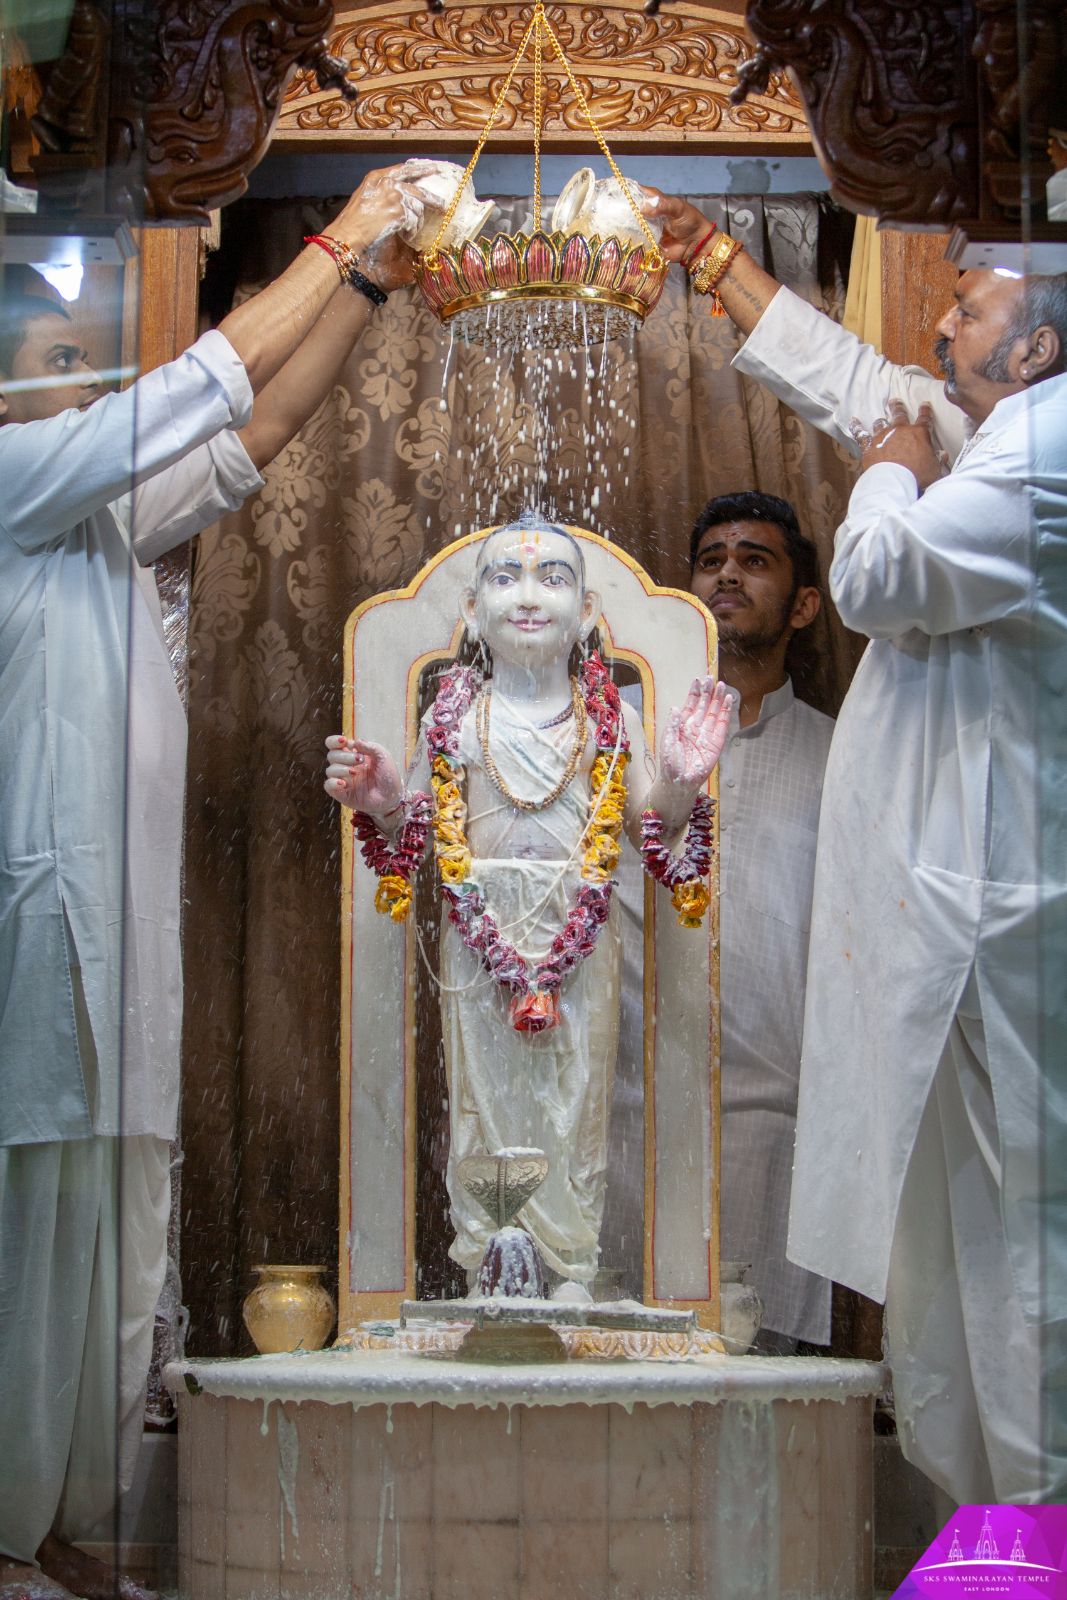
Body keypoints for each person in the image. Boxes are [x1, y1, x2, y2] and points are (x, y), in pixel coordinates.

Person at [0, 164, 430, 1600]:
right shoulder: (13, 486)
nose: (87, 375)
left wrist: (368, 287)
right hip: (34, 956)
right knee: (27, 1249)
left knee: (103, 1253)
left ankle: (54, 1523)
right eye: (59, 357)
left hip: (110, 955)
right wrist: (345, 225)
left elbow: (263, 421)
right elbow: (204, 376)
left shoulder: (95, 526)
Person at [645, 189, 1067, 1501]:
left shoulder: (1044, 452)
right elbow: (857, 386)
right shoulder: (1001, 431)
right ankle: (984, 1530)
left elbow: (877, 572)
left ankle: (1035, 1523)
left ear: (1036, 344)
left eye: (972, 306)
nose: (944, 317)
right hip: (944, 921)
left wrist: (885, 463)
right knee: (945, 1238)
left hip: (995, 915)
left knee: (1019, 1239)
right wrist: (709, 259)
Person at [325, 518, 733, 1292]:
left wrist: (680, 777)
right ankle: (490, 1256)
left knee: (575, 1097)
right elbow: (411, 825)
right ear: (471, 611)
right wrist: (381, 805)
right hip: (478, 935)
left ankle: (568, 1259)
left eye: (552, 577)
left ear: (586, 613)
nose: (527, 595)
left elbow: (654, 827)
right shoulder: (451, 716)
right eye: (505, 579)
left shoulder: (608, 719)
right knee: (484, 1094)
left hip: (579, 935)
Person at [689, 490, 833, 1353]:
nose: (726, 575)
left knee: (752, 1410)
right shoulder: (615, 740)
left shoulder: (845, 756)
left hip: (770, 1126)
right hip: (615, 1125)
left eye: (753, 559)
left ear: (804, 604)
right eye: (710, 560)